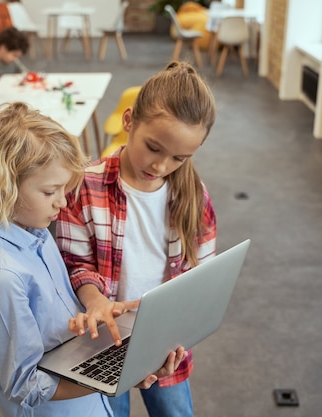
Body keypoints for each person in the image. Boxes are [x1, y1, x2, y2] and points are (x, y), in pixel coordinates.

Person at [0, 101, 187, 417]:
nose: (62, 202)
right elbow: (26, 386)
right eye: (50, 192)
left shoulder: (37, 230)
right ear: (1, 188)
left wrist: (106, 314)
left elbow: (55, 324)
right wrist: (121, 377)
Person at [56, 61, 218, 417]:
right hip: (105, 341)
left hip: (167, 344)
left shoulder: (194, 195)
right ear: (129, 121)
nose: (161, 166)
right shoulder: (84, 186)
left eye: (180, 157)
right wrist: (96, 300)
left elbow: (202, 279)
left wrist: (177, 332)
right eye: (154, 147)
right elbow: (75, 263)